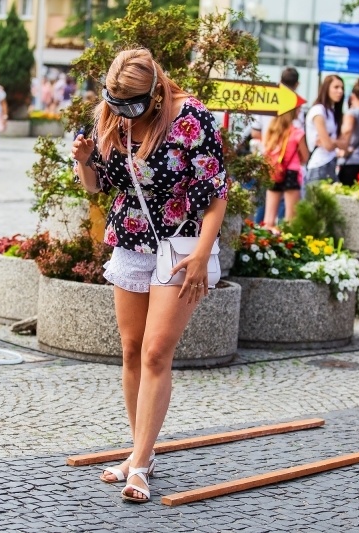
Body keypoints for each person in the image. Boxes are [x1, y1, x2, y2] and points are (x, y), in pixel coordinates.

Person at [71, 48, 227, 503]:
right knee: (131, 349)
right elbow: (97, 187)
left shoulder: (191, 117)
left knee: (157, 352)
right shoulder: (111, 114)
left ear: (155, 92)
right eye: (114, 101)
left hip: (180, 246)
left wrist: (202, 255)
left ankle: (138, 464)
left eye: (130, 104)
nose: (120, 111)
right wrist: (84, 160)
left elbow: (218, 191)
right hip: (132, 239)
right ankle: (142, 450)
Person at [263, 107, 308, 229]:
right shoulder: (297, 133)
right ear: (292, 112)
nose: (300, 112)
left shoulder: (272, 131)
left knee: (269, 219)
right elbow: (305, 157)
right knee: (290, 219)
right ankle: (287, 244)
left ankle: (265, 243)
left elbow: (266, 151)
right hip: (291, 173)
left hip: (275, 171)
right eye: (298, 109)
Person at [305, 74, 345, 185]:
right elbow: (328, 145)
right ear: (326, 88)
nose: (340, 91)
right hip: (319, 165)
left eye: (342, 88)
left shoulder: (332, 112)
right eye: (336, 87)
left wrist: (332, 142)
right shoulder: (318, 110)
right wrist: (335, 142)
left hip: (331, 164)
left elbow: (345, 144)